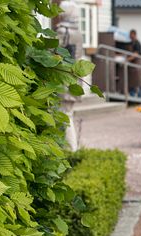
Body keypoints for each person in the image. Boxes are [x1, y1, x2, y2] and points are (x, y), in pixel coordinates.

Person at [56, 0, 83, 151]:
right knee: (68, 114)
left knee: (64, 116)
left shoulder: (63, 31)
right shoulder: (78, 32)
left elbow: (52, 54)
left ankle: (71, 149)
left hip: (63, 81)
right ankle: (71, 148)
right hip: (74, 80)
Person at [126, 29, 141, 98]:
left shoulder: (137, 43)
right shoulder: (130, 43)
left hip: (137, 64)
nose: (130, 36)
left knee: (138, 81)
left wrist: (127, 59)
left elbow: (136, 54)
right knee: (132, 81)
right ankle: (132, 95)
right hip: (132, 66)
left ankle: (140, 96)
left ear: (134, 35)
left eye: (131, 35)